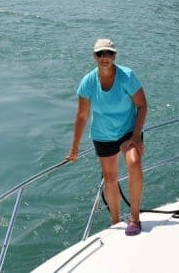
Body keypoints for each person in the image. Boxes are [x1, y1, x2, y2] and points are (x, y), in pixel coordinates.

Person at [66, 38, 148, 236]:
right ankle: (115, 221)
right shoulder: (88, 82)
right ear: (94, 56)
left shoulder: (127, 76)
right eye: (100, 54)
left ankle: (135, 219)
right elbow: (82, 115)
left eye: (109, 54)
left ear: (114, 56)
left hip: (129, 130)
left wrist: (136, 136)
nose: (105, 58)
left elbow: (142, 105)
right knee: (110, 178)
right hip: (103, 134)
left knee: (134, 163)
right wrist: (74, 147)